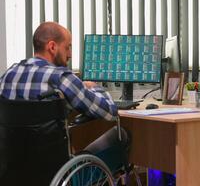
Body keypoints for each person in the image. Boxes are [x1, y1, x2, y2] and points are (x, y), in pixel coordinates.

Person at [0, 22, 129, 184]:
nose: (69, 54)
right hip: (57, 176)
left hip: (11, 174)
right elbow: (110, 112)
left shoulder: (8, 75)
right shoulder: (61, 78)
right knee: (122, 135)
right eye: (67, 47)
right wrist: (94, 88)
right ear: (52, 47)